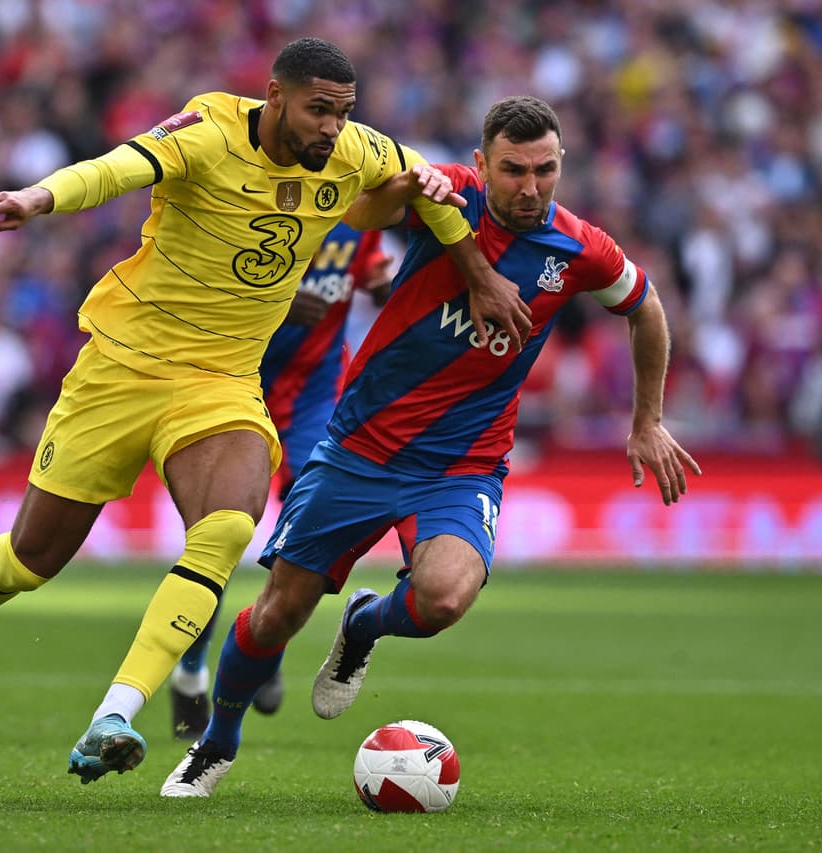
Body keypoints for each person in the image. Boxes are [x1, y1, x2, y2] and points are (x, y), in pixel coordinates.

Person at [0, 37, 533, 786]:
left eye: (343, 113)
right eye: (318, 111)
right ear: (275, 97)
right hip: (119, 367)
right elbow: (116, 168)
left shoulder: (356, 150)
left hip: (220, 380)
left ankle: (116, 712)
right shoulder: (205, 133)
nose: (333, 128)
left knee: (230, 526)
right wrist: (36, 198)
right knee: (31, 559)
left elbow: (431, 197)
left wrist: (476, 274)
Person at [160, 95, 701, 798]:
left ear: (562, 165)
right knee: (277, 614)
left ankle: (364, 622)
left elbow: (646, 306)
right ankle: (215, 743)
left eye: (544, 170)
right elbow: (361, 215)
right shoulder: (449, 195)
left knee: (443, 598)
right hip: (359, 448)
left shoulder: (579, 248)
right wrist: (408, 186)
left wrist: (647, 420)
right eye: (513, 170)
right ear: (483, 163)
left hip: (462, 464)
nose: (529, 186)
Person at [169, 222, 392, 740]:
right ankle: (190, 670)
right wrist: (281, 303)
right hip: (232, 383)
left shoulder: (361, 216)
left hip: (314, 397)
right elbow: (202, 287)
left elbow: (379, 281)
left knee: (307, 536)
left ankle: (266, 649)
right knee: (218, 538)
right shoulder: (259, 203)